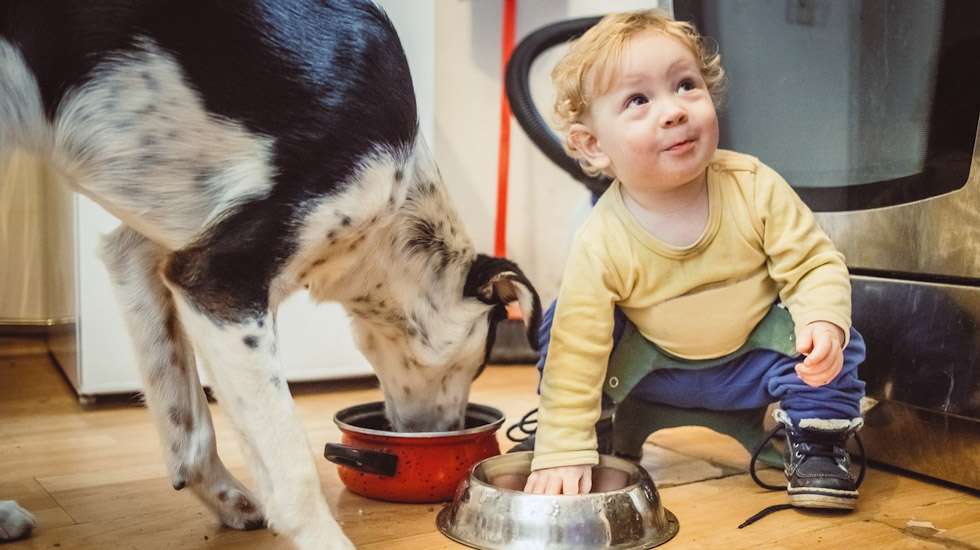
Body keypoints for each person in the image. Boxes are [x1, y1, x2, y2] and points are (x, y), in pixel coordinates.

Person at [521, 9, 867, 512]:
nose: (674, 111)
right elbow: (578, 346)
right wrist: (560, 444)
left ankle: (817, 441)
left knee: (839, 336)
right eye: (638, 99)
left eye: (685, 85)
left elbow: (813, 264)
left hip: (751, 360)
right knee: (565, 323)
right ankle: (585, 438)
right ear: (593, 145)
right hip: (649, 369)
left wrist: (820, 320)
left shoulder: (754, 186)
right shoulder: (602, 237)